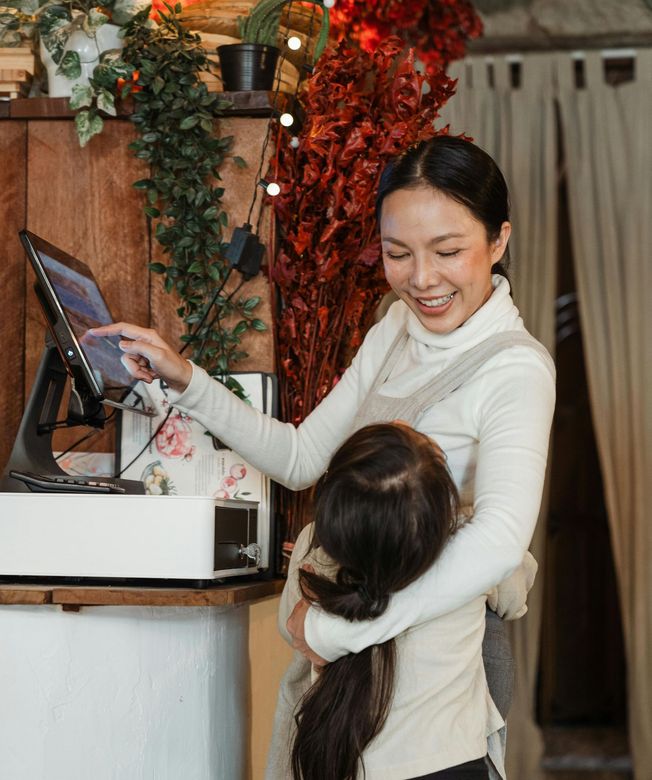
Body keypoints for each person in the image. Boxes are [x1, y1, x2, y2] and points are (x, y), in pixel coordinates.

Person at [90, 135, 555, 777]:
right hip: (347, 675)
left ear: (499, 241)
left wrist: (344, 631)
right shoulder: (396, 327)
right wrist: (186, 379)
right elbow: (303, 455)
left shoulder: (515, 369)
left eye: (448, 251)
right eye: (398, 253)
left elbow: (500, 537)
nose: (422, 279)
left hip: (432, 683)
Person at [281, 421, 505, 780]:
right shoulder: (471, 559)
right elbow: (514, 592)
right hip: (449, 765)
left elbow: (289, 627)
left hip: (348, 764)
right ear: (439, 515)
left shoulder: (312, 556)